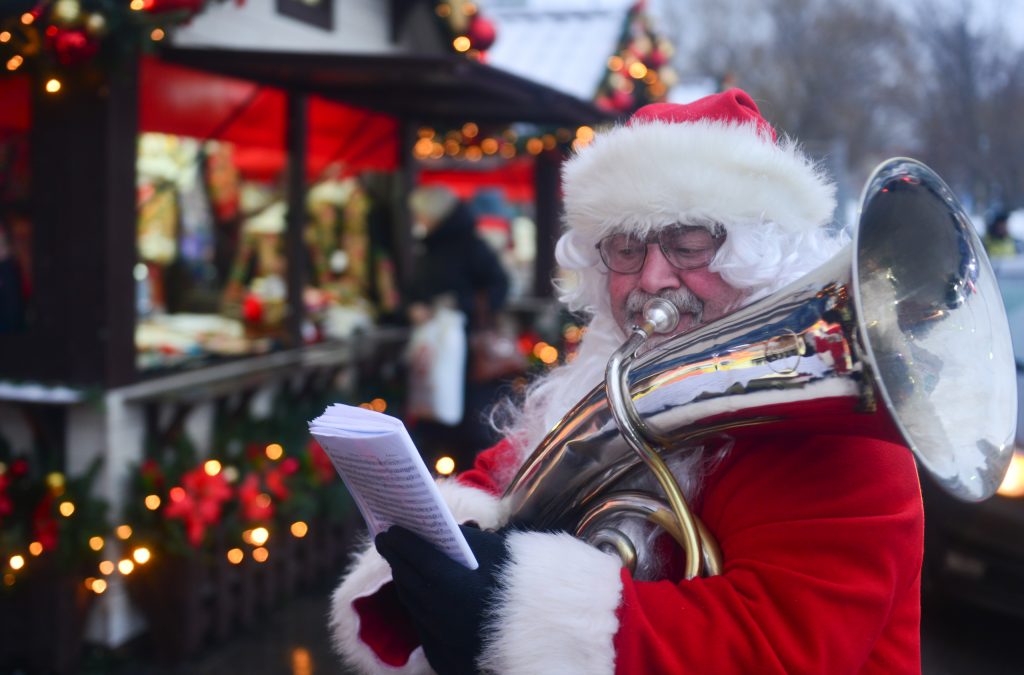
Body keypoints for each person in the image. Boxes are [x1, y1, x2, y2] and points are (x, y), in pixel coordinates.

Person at [329, 90, 923, 674]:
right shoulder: (597, 375)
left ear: (760, 253)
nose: (654, 278)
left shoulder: (840, 422)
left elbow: (778, 648)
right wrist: (430, 569)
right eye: (625, 248)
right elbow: (499, 483)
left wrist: (512, 609)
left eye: (690, 242)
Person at [405, 185, 510, 466]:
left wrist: (459, 306)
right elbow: (415, 290)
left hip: (469, 352)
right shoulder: (427, 247)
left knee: (469, 426)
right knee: (436, 418)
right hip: (437, 346)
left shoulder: (471, 245)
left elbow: (498, 285)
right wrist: (416, 308)